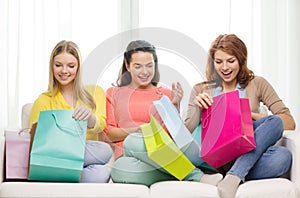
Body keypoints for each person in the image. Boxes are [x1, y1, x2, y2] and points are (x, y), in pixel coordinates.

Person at [184, 34, 296, 198]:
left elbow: (289, 122)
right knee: (276, 134)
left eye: (231, 61)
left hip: (246, 148)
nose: (224, 67)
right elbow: (185, 133)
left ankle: (233, 176)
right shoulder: (201, 89)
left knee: (281, 148)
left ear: (241, 60)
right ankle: (237, 173)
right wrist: (196, 106)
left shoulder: (257, 83)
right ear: (212, 62)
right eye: (219, 62)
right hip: (217, 157)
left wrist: (245, 115)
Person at [104, 40, 223, 186]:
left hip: (160, 154)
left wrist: (174, 105)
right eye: (138, 66)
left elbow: (172, 137)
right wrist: (137, 130)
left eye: (149, 65)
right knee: (119, 168)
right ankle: (188, 173)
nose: (145, 72)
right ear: (128, 66)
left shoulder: (165, 94)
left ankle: (191, 174)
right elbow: (109, 133)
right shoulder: (113, 93)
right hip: (128, 155)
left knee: (133, 142)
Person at [29, 40, 113, 183]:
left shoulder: (94, 92)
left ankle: (66, 177)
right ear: (51, 67)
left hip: (84, 163)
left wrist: (90, 118)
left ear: (78, 68)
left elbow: (102, 125)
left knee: (102, 164)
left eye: (71, 66)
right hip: (54, 157)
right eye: (58, 65)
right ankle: (64, 173)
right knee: (102, 151)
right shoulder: (44, 100)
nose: (64, 71)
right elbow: (32, 142)